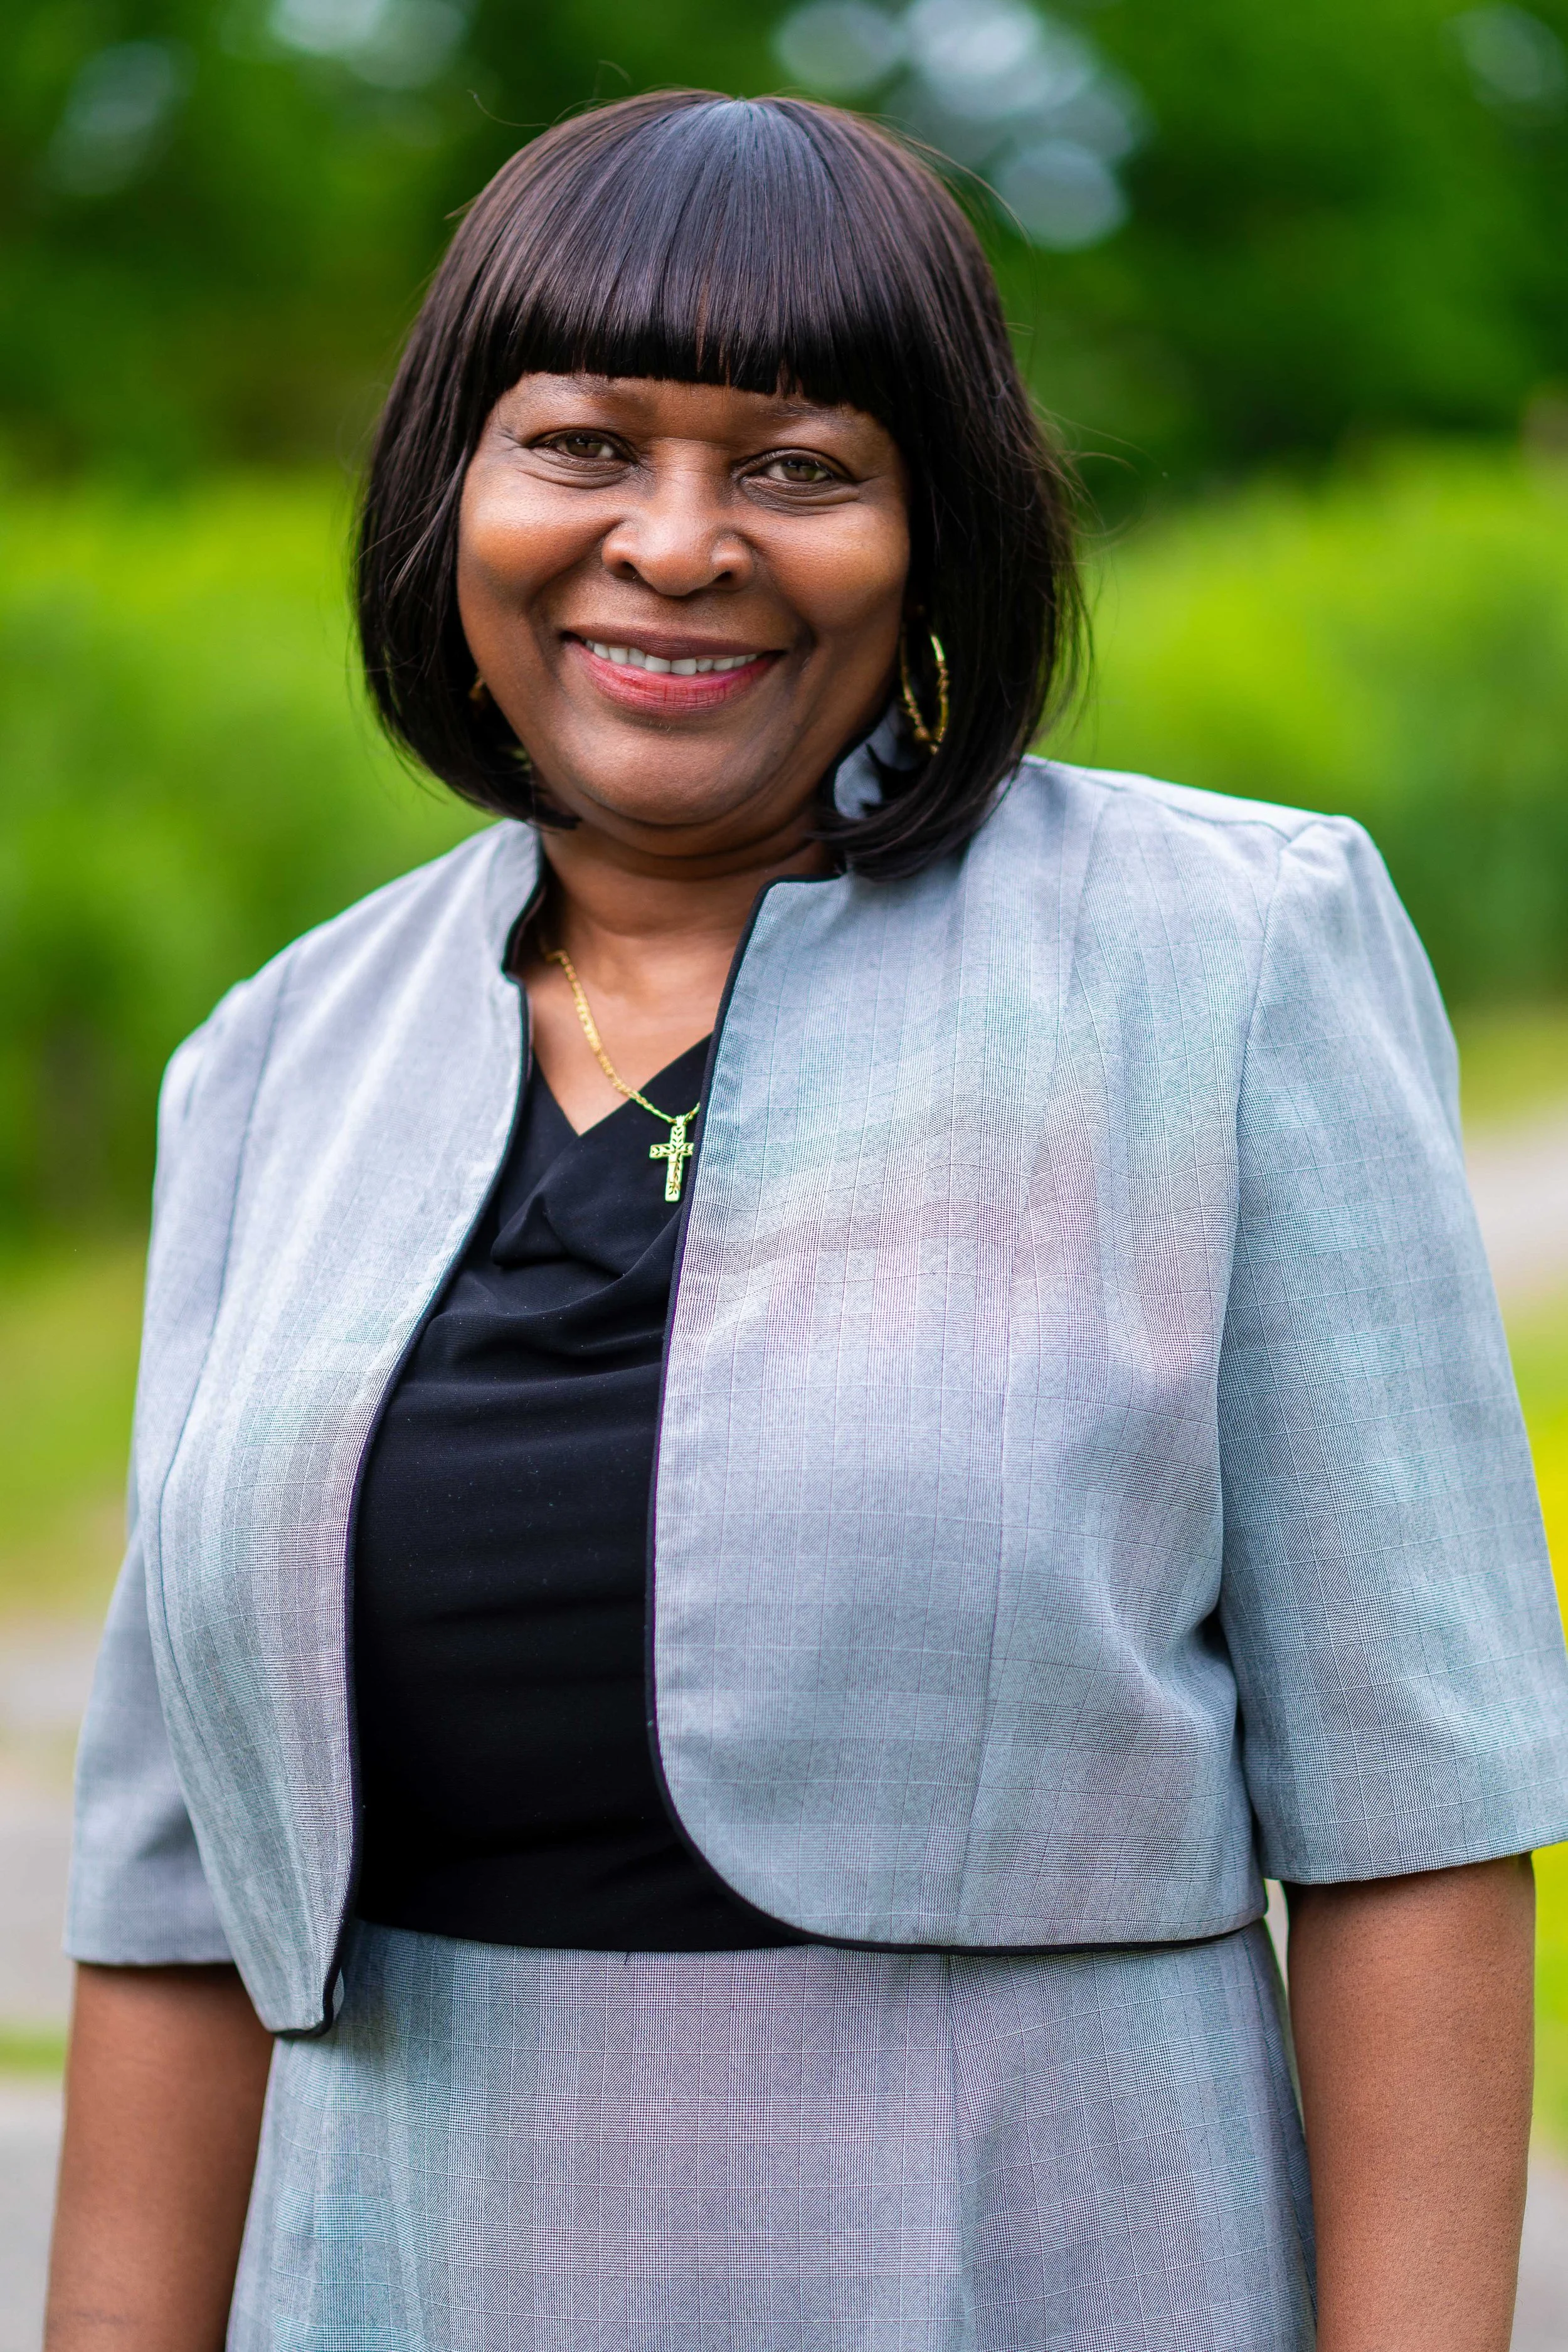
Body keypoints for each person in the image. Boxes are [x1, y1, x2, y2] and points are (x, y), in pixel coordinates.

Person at [45, 90, 1568, 2352]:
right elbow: (175, 1912)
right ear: (449, 501)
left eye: (795, 466)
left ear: (931, 529)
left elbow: (1409, 1812)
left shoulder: (1221, 958)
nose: (673, 543)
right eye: (581, 444)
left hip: (1040, 2283)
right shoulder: (278, 1062)